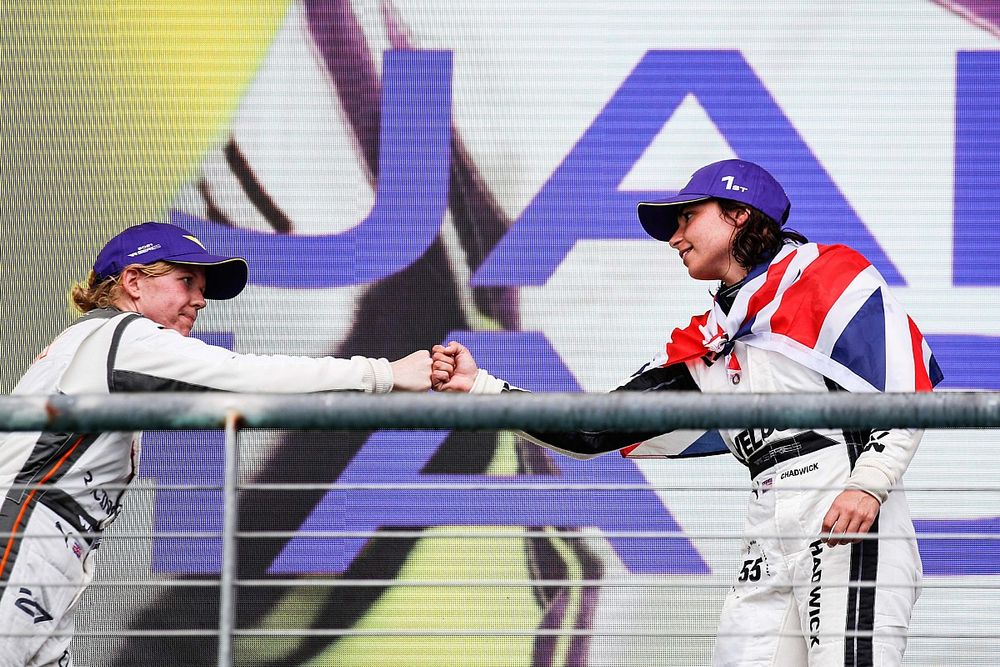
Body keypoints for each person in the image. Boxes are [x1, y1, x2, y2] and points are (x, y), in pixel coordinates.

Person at [431, 159, 942, 666]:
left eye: (686, 218)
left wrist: (869, 482)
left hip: (843, 505)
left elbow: (905, 384)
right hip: (769, 516)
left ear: (739, 213)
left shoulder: (828, 274)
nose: (674, 238)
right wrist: (480, 387)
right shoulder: (707, 342)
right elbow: (591, 427)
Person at [0, 221, 432, 666]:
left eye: (201, 287)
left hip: (47, 548)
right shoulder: (123, 335)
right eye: (185, 280)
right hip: (23, 537)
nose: (200, 300)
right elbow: (244, 378)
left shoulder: (101, 341)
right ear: (132, 281)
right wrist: (384, 374)